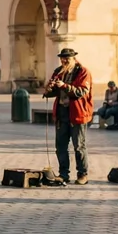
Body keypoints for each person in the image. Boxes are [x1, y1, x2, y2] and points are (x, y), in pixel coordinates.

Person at [42, 48, 93, 185]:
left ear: (73, 59)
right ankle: (63, 174)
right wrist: (49, 88)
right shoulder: (58, 71)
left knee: (79, 146)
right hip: (62, 113)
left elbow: (81, 92)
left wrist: (65, 86)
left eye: (67, 59)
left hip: (77, 113)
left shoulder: (82, 72)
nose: (64, 61)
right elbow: (50, 92)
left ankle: (83, 174)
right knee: (61, 146)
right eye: (62, 58)